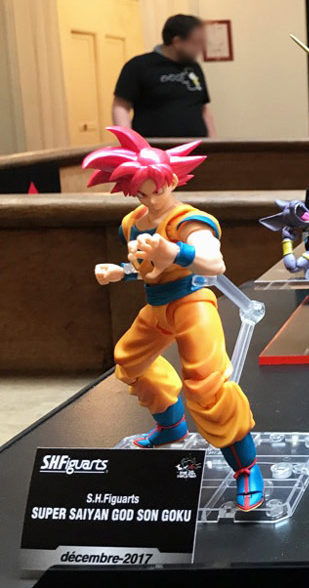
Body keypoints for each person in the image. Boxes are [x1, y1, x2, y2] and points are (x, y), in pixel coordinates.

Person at [83, 127, 263, 511]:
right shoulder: (133, 222)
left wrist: (176, 251)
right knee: (130, 360)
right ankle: (171, 426)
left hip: (193, 304)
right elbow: (147, 267)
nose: (151, 199)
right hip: (157, 306)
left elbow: (214, 262)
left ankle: (246, 467)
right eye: (141, 193)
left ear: (173, 182)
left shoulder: (188, 221)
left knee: (207, 385)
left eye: (157, 190)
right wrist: (120, 272)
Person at [112, 14, 216, 138]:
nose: (201, 48)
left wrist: (214, 142)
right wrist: (129, 142)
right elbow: (121, 107)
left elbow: (203, 108)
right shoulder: (139, 65)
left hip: (197, 145)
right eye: (196, 42)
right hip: (155, 147)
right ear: (177, 42)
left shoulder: (194, 67)